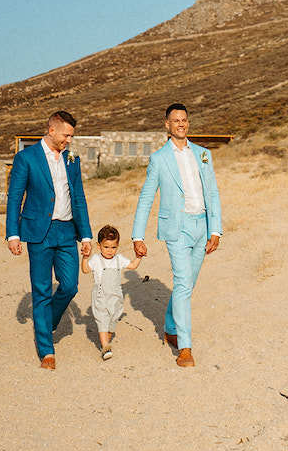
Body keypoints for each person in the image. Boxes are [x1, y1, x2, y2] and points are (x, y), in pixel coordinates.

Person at [132, 103, 222, 367]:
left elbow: (213, 193)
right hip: (177, 229)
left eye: (184, 120)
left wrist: (215, 229)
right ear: (167, 125)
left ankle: (170, 327)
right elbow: (147, 197)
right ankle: (185, 347)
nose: (181, 124)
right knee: (183, 283)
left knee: (187, 284)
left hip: (202, 227)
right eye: (176, 120)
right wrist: (138, 235)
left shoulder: (204, 154)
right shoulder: (159, 158)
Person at [6, 110, 92, 369]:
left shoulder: (72, 159)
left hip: (67, 231)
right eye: (66, 135)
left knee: (70, 286)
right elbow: (14, 197)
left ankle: (47, 321)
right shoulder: (26, 158)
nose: (69, 141)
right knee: (41, 290)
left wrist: (86, 233)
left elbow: (79, 197)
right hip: (38, 232)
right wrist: (13, 233)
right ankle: (47, 351)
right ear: (51, 130)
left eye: (71, 136)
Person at [81, 224, 141, 359]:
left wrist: (139, 257)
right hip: (101, 296)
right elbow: (85, 270)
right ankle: (106, 348)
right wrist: (85, 258)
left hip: (116, 297)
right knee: (103, 320)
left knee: (112, 322)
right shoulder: (97, 260)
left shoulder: (119, 259)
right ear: (99, 246)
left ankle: (105, 344)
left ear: (117, 246)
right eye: (106, 247)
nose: (109, 251)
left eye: (113, 247)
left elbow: (132, 265)